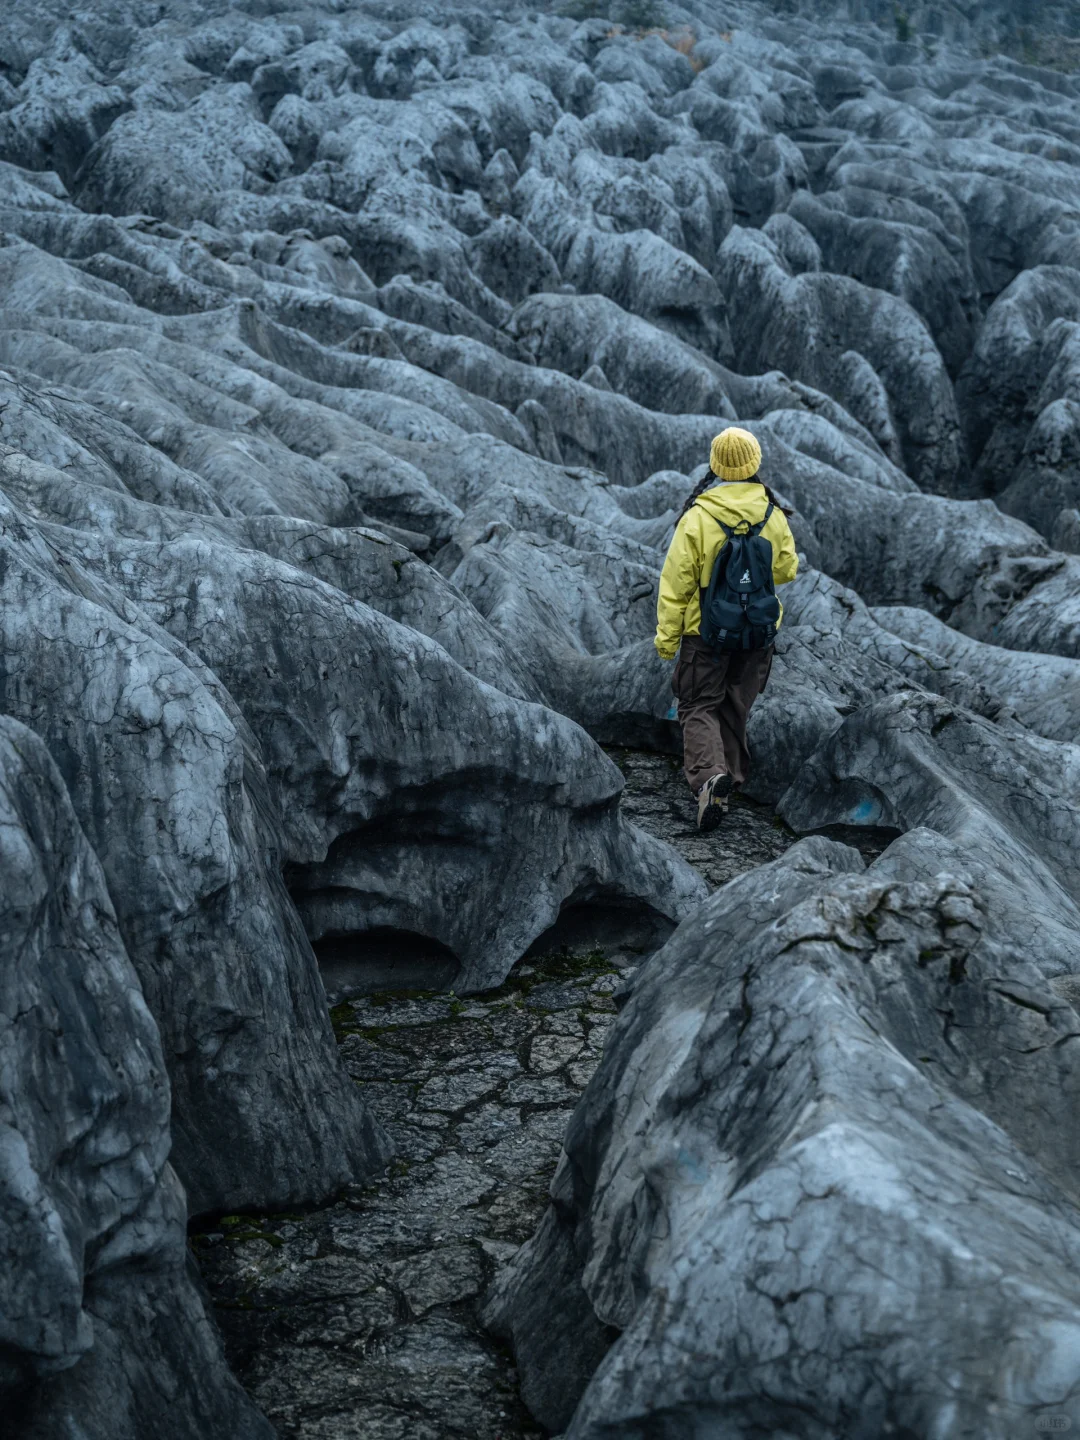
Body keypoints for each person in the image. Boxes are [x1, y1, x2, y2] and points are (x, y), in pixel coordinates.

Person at [654, 427, 799, 831]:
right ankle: (727, 781)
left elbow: (676, 583)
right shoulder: (772, 513)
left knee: (698, 705)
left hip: (706, 633)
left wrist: (667, 640)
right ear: (754, 463)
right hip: (757, 632)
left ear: (716, 466)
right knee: (736, 705)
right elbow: (787, 568)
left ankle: (707, 780)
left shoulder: (699, 516)